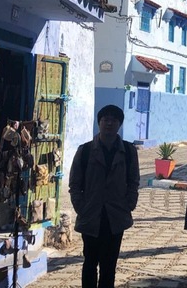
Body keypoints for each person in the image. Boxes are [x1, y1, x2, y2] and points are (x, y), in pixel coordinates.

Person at [70, 104, 140, 288]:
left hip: (115, 216)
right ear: (99, 123)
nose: (109, 123)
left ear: (120, 124)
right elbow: (75, 184)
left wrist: (129, 204)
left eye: (114, 120)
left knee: (109, 265)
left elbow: (133, 181)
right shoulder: (84, 151)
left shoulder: (128, 152)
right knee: (90, 262)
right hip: (91, 214)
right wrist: (80, 206)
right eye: (105, 120)